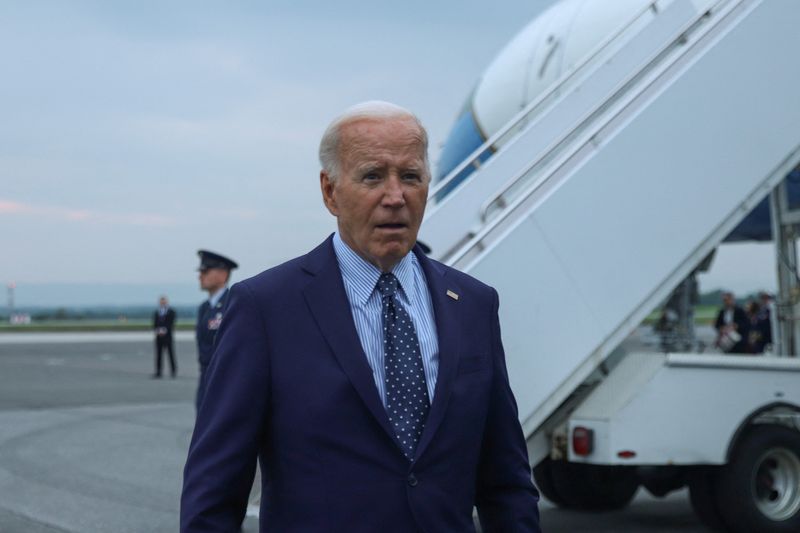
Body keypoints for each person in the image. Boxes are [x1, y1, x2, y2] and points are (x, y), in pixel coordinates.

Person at [181, 101, 541, 532]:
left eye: (410, 176)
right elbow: (214, 494)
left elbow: (505, 481)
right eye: (372, 176)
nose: (395, 197)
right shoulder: (266, 309)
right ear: (330, 191)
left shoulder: (473, 304)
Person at [195, 250, 238, 411]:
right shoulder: (204, 308)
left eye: (205, 271)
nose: (200, 276)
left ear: (222, 274)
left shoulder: (232, 304)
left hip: (225, 382)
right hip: (206, 379)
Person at [152, 295, 177, 378]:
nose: (162, 302)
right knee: (159, 355)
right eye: (161, 301)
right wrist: (158, 330)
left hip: (168, 336)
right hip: (159, 337)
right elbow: (155, 323)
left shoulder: (171, 311)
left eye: (164, 301)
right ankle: (158, 372)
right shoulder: (157, 312)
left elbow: (171, 323)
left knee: (170, 354)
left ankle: (173, 371)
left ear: (167, 302)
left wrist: (164, 330)